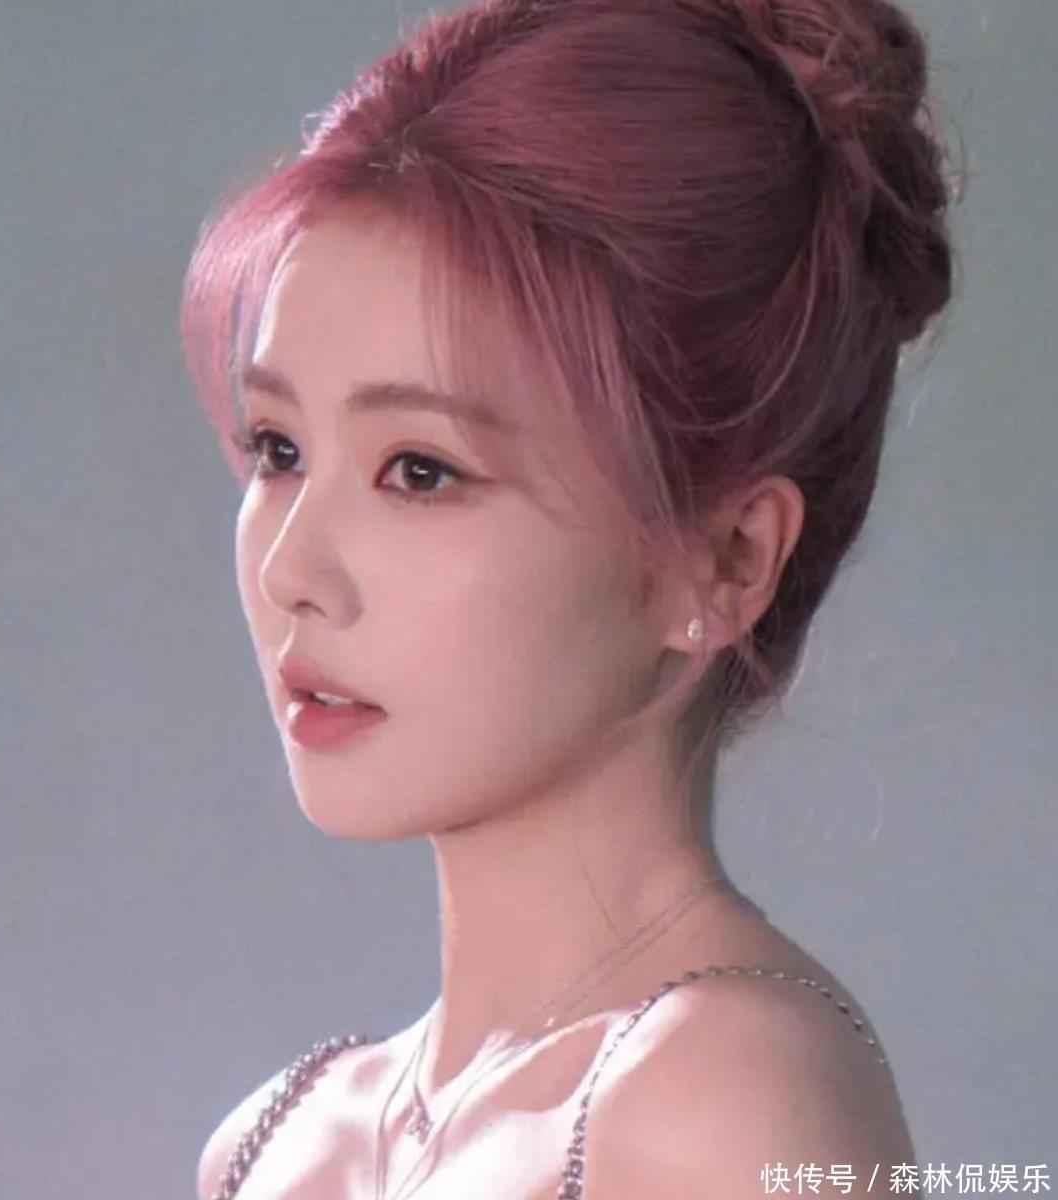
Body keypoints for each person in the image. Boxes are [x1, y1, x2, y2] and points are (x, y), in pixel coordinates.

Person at [179, 0, 956, 1196]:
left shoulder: (724, 1106)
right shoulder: (277, 1144)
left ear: (723, 560)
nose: (290, 570)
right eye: (277, 450)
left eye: (420, 471)